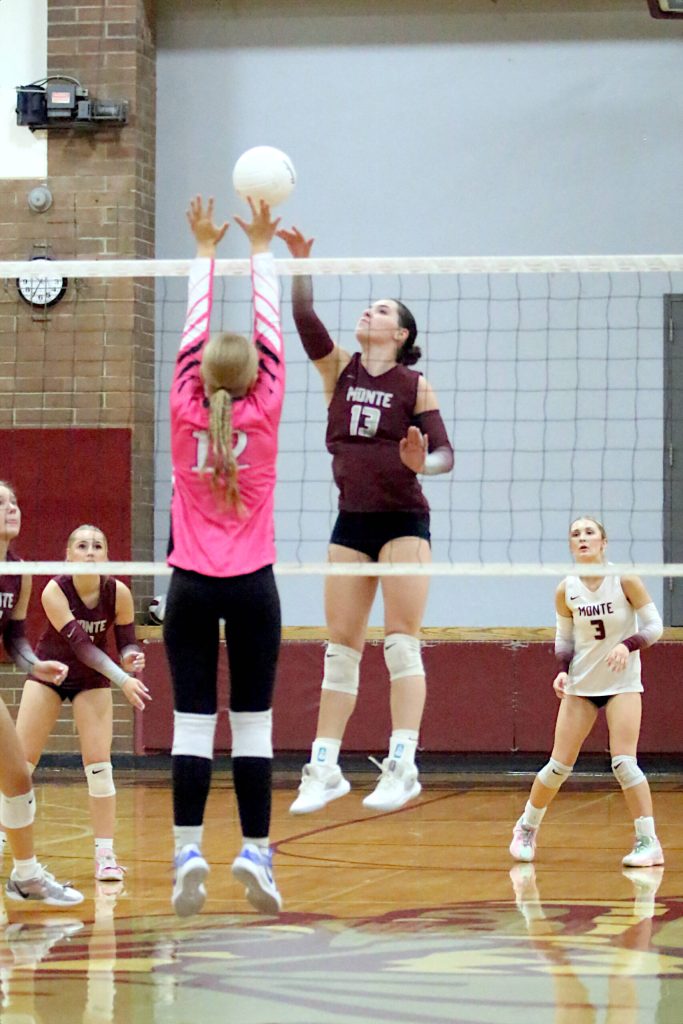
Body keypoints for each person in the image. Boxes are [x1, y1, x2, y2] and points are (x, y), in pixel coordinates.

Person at [277, 225, 454, 815]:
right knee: (340, 649)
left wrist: (419, 462)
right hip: (350, 524)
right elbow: (304, 319)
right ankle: (324, 768)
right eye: (367, 306)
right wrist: (300, 264)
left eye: (381, 310)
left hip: (404, 522)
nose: (368, 311)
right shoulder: (340, 371)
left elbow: (445, 453)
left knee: (402, 645)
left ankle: (404, 763)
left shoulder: (415, 384)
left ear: (400, 333)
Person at [164, 195, 285, 918]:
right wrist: (260, 248)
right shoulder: (264, 410)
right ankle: (256, 852)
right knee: (254, 726)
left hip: (189, 589)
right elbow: (268, 336)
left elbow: (192, 334)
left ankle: (186, 849)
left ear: (203, 375)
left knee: (188, 722)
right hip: (252, 590)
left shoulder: (184, 409)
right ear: (251, 381)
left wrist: (204, 254)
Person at [509, 515, 664, 867]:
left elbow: (655, 626)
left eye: (589, 532)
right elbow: (565, 638)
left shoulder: (624, 579)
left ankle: (648, 842)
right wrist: (562, 671)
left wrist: (629, 644)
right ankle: (526, 828)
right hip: (582, 686)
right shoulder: (567, 589)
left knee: (625, 763)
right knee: (558, 766)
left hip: (622, 684)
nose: (582, 538)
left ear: (603, 543)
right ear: (571, 545)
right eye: (575, 534)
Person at [14, 524, 150, 883]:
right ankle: (3, 839)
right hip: (51, 672)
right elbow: (82, 647)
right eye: (82, 546)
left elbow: (126, 642)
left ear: (106, 555)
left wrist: (132, 658)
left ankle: (105, 855)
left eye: (98, 546)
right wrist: (123, 679)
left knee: (99, 766)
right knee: (20, 765)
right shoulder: (54, 590)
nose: (90, 552)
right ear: (68, 555)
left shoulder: (117, 592)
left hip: (92, 680)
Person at [0, 480, 83, 906]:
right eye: (1, 503)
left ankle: (26, 877)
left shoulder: (18, 573)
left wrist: (35, 665)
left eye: (14, 500)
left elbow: (13, 639)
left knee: (17, 776)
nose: (11, 507)